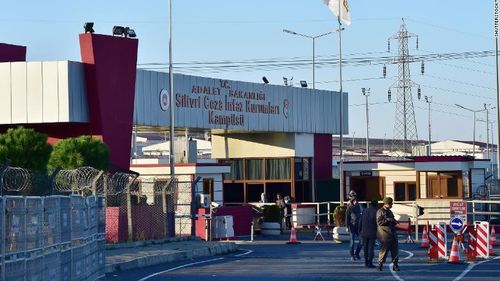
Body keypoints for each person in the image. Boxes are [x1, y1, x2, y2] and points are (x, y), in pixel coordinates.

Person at [376, 197, 399, 272]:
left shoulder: (389, 211)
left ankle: (395, 265)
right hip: (385, 235)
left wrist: (395, 221)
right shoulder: (380, 211)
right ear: (386, 204)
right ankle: (380, 264)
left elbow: (392, 219)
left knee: (395, 251)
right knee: (384, 251)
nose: (392, 204)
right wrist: (388, 220)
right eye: (391, 203)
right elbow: (379, 222)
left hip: (392, 234)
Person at [359, 199, 378, 268]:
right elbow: (377, 223)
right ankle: (370, 262)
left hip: (364, 232)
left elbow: (360, 221)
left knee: (365, 248)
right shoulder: (376, 212)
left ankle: (366, 262)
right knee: (371, 248)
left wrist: (359, 229)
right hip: (372, 232)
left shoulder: (365, 210)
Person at [345, 190, 362, 261]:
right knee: (352, 242)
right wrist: (347, 227)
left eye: (356, 200)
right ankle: (352, 255)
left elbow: (363, 215)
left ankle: (357, 253)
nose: (356, 202)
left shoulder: (359, 207)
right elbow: (347, 218)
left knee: (362, 241)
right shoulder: (349, 208)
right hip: (352, 226)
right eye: (354, 200)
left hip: (359, 226)